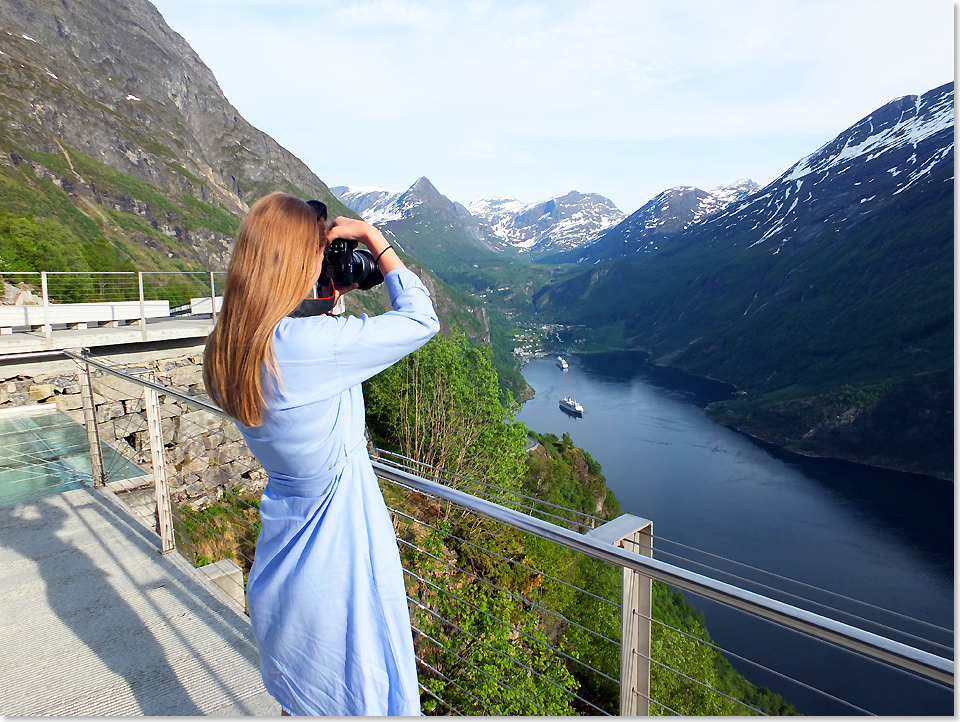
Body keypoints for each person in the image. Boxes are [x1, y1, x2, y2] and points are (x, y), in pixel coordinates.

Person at [202, 191, 440, 716]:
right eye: (316, 250)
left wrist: (319, 303)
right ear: (297, 262)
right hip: (337, 551)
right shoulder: (309, 347)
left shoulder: (229, 345)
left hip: (286, 542)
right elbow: (422, 319)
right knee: (355, 688)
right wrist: (376, 240)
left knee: (303, 693)